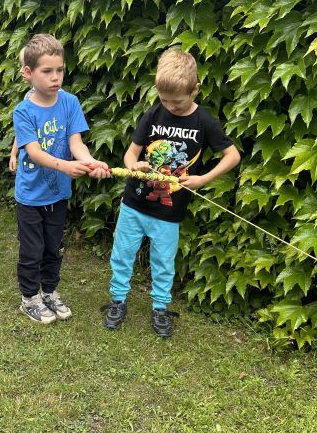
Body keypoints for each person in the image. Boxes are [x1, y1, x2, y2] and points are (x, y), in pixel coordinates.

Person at [102, 49, 241, 337]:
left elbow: (233, 156)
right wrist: (134, 165)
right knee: (122, 254)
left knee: (164, 262)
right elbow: (130, 154)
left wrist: (203, 179)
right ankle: (117, 301)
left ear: (195, 89)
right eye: (164, 99)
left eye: (176, 101)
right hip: (134, 203)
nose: (169, 106)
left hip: (168, 212)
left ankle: (160, 308)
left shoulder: (204, 121)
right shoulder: (154, 113)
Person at [12, 34, 110, 324]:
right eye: (47, 71)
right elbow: (34, 152)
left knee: (53, 248)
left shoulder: (70, 102)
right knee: (32, 251)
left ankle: (49, 292)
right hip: (30, 196)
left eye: (60, 70)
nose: (55, 77)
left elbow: (76, 142)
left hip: (58, 194)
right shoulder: (23, 111)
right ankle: (29, 298)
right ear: (28, 72)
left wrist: (89, 162)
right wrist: (65, 166)